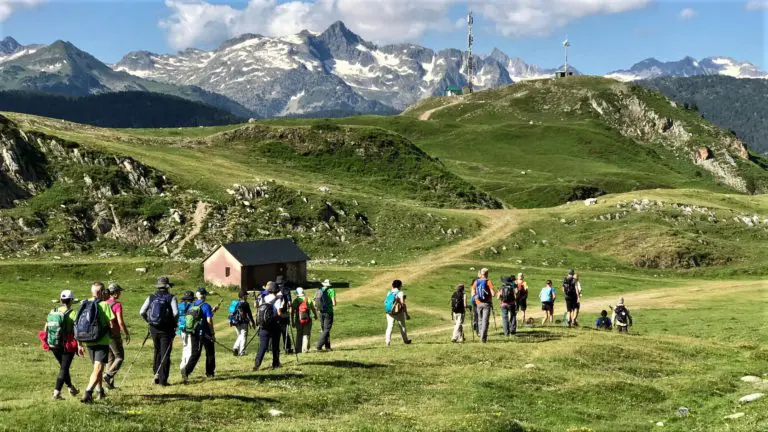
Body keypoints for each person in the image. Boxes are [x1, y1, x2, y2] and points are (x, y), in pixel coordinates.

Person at [77, 282, 117, 403]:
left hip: (87, 340)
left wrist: (79, 344)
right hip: (101, 340)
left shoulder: (84, 304)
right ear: (101, 292)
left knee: (97, 368)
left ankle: (99, 391)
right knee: (98, 368)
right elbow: (112, 322)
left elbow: (77, 324)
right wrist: (113, 334)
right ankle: (88, 392)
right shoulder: (104, 304)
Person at [139, 276, 178, 386]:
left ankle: (156, 375)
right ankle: (163, 380)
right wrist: (175, 324)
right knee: (165, 353)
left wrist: (149, 321)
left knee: (157, 351)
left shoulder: (151, 297)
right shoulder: (171, 297)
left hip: (154, 328)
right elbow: (175, 313)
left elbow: (142, 311)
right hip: (167, 329)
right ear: (167, 286)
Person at [45, 289, 80, 400]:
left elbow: (46, 327)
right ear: (71, 301)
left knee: (64, 367)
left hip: (53, 343)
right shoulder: (73, 313)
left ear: (60, 300)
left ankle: (71, 388)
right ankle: (56, 393)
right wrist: (80, 345)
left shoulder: (53, 311)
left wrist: (47, 341)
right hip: (67, 344)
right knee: (64, 368)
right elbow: (77, 331)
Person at [182, 287, 217, 380]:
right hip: (205, 333)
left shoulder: (192, 305)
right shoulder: (206, 305)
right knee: (210, 353)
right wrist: (212, 333)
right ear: (204, 295)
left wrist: (213, 311)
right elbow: (208, 319)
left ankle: (187, 371)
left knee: (195, 352)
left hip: (193, 331)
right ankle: (209, 372)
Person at [104, 283, 130, 389]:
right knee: (119, 357)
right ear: (114, 293)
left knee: (110, 359)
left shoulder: (104, 303)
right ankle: (108, 375)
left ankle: (109, 384)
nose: (120, 293)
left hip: (105, 334)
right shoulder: (117, 305)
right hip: (114, 334)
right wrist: (126, 333)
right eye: (119, 292)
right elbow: (120, 322)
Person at [254, 282, 284, 371]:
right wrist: (284, 317)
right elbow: (279, 313)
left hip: (263, 325)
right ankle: (275, 363)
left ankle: (257, 363)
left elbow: (256, 307)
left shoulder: (262, 298)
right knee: (275, 345)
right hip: (274, 324)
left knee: (263, 346)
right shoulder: (278, 299)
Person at [471, 268, 495, 343]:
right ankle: (483, 338)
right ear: (487, 274)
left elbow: (472, 293)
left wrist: (476, 298)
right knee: (485, 321)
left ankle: (481, 335)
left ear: (481, 274)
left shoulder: (476, 281)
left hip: (478, 303)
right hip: (487, 304)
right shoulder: (488, 282)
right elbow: (493, 294)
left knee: (480, 320)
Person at [385, 280, 411, 346]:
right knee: (402, 326)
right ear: (399, 286)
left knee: (390, 326)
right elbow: (402, 304)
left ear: (392, 285)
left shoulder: (389, 292)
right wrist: (406, 314)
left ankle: (387, 341)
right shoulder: (400, 293)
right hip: (398, 312)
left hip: (389, 312)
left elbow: (385, 302)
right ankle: (405, 340)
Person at [230, 291, 256, 357]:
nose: (247, 296)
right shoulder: (245, 304)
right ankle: (241, 351)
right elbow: (249, 314)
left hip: (235, 322)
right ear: (243, 296)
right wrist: (253, 322)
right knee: (243, 336)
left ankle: (235, 348)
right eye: (246, 295)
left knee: (240, 335)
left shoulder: (235, 302)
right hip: (243, 322)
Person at [292, 287, 318, 353]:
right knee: (306, 334)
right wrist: (315, 315)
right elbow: (313, 309)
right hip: (308, 319)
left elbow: (292, 312)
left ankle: (298, 349)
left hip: (298, 320)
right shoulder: (308, 299)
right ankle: (305, 349)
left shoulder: (295, 301)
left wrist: (292, 321)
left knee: (299, 334)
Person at [314, 279, 337, 352]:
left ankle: (328, 347)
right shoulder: (331, 290)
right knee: (326, 330)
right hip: (328, 312)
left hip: (320, 311)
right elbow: (334, 303)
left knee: (325, 330)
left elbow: (315, 301)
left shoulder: (319, 290)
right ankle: (319, 345)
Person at [276, 276, 294, 354]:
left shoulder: (274, 289)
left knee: (276, 332)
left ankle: (273, 348)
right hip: (283, 313)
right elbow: (289, 303)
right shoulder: (286, 290)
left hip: (275, 314)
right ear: (283, 282)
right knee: (285, 332)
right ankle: (287, 348)